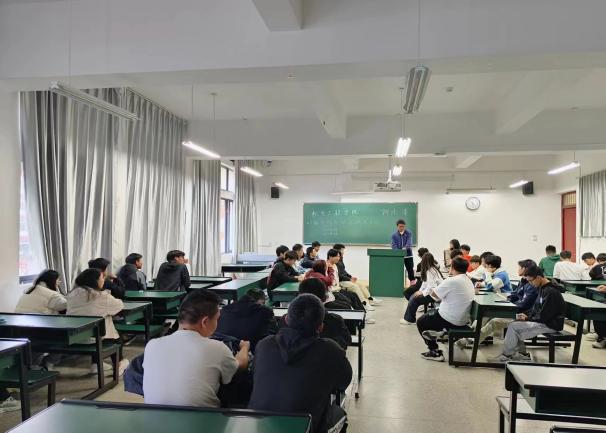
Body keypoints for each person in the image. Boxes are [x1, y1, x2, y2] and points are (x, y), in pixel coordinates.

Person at [248, 294, 352, 433]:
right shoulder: (330, 349)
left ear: (286, 319)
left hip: (258, 425)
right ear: (320, 327)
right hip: (306, 426)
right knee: (339, 413)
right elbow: (343, 383)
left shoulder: (264, 345)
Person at [144, 289, 250, 407]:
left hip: (153, 415)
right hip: (202, 417)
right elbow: (240, 365)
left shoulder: (152, 345)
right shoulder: (217, 348)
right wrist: (244, 347)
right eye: (216, 319)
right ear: (205, 322)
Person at [488, 265, 566, 363]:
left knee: (513, 327)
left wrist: (528, 318)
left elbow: (545, 315)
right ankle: (522, 354)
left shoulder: (551, 292)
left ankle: (507, 356)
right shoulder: (543, 288)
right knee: (514, 323)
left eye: (531, 281)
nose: (530, 284)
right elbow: (537, 309)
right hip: (544, 320)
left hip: (550, 324)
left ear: (538, 277)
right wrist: (526, 315)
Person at [457, 259, 539, 349]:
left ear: (524, 269)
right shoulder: (523, 281)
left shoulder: (531, 284)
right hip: (513, 309)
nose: (518, 269)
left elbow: (524, 305)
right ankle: (468, 336)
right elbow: (515, 295)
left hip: (521, 314)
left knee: (494, 321)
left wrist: (506, 306)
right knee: (484, 315)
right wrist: (506, 300)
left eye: (519, 267)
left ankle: (472, 340)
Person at [67, 268, 129, 374]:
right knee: (113, 334)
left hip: (74, 337)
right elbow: (119, 305)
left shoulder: (72, 294)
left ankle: (96, 364)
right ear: (95, 281)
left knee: (98, 324)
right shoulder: (101, 296)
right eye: (102, 278)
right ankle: (118, 364)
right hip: (95, 339)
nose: (103, 280)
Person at [416, 257, 475, 362]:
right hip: (462, 320)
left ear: (452, 267)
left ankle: (435, 351)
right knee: (432, 313)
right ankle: (441, 332)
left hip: (449, 319)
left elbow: (434, 295)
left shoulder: (452, 281)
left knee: (421, 321)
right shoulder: (468, 280)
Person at [281, 278, 352, 350]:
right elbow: (346, 341)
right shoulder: (335, 320)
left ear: (299, 296)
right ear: (325, 298)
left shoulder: (286, 320)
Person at [401, 253, 443, 325]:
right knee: (414, 296)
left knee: (414, 298)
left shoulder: (430, 271)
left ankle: (409, 320)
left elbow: (431, 287)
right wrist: (420, 291)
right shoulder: (431, 269)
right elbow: (424, 284)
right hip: (434, 293)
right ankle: (410, 318)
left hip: (436, 295)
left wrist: (422, 293)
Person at [391, 219, 415, 284]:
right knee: (398, 270)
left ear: (405, 226)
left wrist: (404, 250)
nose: (401, 228)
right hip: (398, 256)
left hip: (408, 255)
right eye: (400, 226)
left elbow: (409, 243)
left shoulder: (408, 233)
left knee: (410, 270)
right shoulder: (394, 235)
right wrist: (399, 252)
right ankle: (397, 283)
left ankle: (412, 284)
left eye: (403, 226)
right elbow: (393, 245)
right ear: (397, 226)